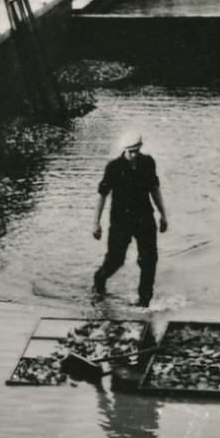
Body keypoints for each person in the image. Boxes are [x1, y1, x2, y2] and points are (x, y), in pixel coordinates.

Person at [91, 129, 169, 307]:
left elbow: (155, 190)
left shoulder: (148, 163)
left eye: (136, 150)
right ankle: (99, 281)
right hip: (121, 221)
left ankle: (144, 300)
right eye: (130, 151)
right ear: (124, 150)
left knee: (149, 260)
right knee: (116, 260)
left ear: (140, 147)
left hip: (145, 218)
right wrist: (96, 223)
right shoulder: (114, 167)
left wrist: (163, 215)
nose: (133, 154)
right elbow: (102, 195)